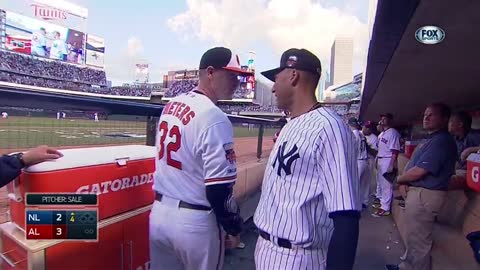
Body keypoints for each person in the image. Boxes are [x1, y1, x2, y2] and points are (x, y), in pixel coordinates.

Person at [254, 48, 360, 270]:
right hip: (265, 248)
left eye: (276, 79)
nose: (273, 87)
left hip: (298, 258)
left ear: (293, 75)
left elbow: (346, 216)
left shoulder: (329, 128)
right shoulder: (291, 124)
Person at [149, 47, 250, 270]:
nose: (237, 82)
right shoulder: (214, 116)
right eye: (231, 75)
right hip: (194, 222)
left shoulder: (171, 105)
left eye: (239, 77)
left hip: (159, 215)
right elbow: (219, 190)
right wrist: (233, 227)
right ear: (211, 72)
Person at [386, 103, 457, 270]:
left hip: (426, 195)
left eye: (432, 115)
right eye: (425, 114)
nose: (426, 117)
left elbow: (420, 171)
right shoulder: (432, 139)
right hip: (420, 193)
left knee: (419, 242)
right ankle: (406, 266)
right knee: (413, 236)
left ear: (444, 119)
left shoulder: (441, 141)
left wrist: (400, 179)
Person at [372, 113, 400, 217]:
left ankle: (385, 208)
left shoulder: (393, 132)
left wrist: (391, 165)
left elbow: (395, 151)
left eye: (385, 119)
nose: (382, 120)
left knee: (386, 185)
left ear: (390, 120)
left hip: (387, 159)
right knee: (381, 183)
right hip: (380, 158)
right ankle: (383, 203)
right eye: (382, 118)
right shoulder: (382, 133)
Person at [348, 117, 369, 210]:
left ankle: (356, 206)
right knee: (363, 184)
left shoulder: (353, 134)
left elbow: (351, 150)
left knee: (355, 184)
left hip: (358, 161)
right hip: (364, 160)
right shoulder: (361, 133)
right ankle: (363, 202)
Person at [362, 121, 379, 206]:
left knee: (366, 181)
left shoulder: (374, 138)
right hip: (360, 160)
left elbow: (375, 152)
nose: (366, 129)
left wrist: (367, 146)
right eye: (365, 127)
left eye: (368, 127)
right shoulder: (360, 134)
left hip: (369, 160)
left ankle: (364, 201)